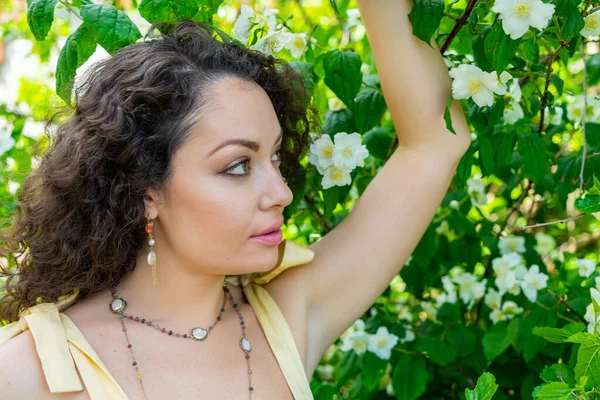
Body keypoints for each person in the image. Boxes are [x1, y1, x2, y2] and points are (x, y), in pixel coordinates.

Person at [0, 0, 471, 399]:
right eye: (238, 166)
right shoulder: (32, 369)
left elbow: (433, 144)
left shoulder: (287, 317)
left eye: (275, 157)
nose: (282, 193)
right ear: (145, 192)